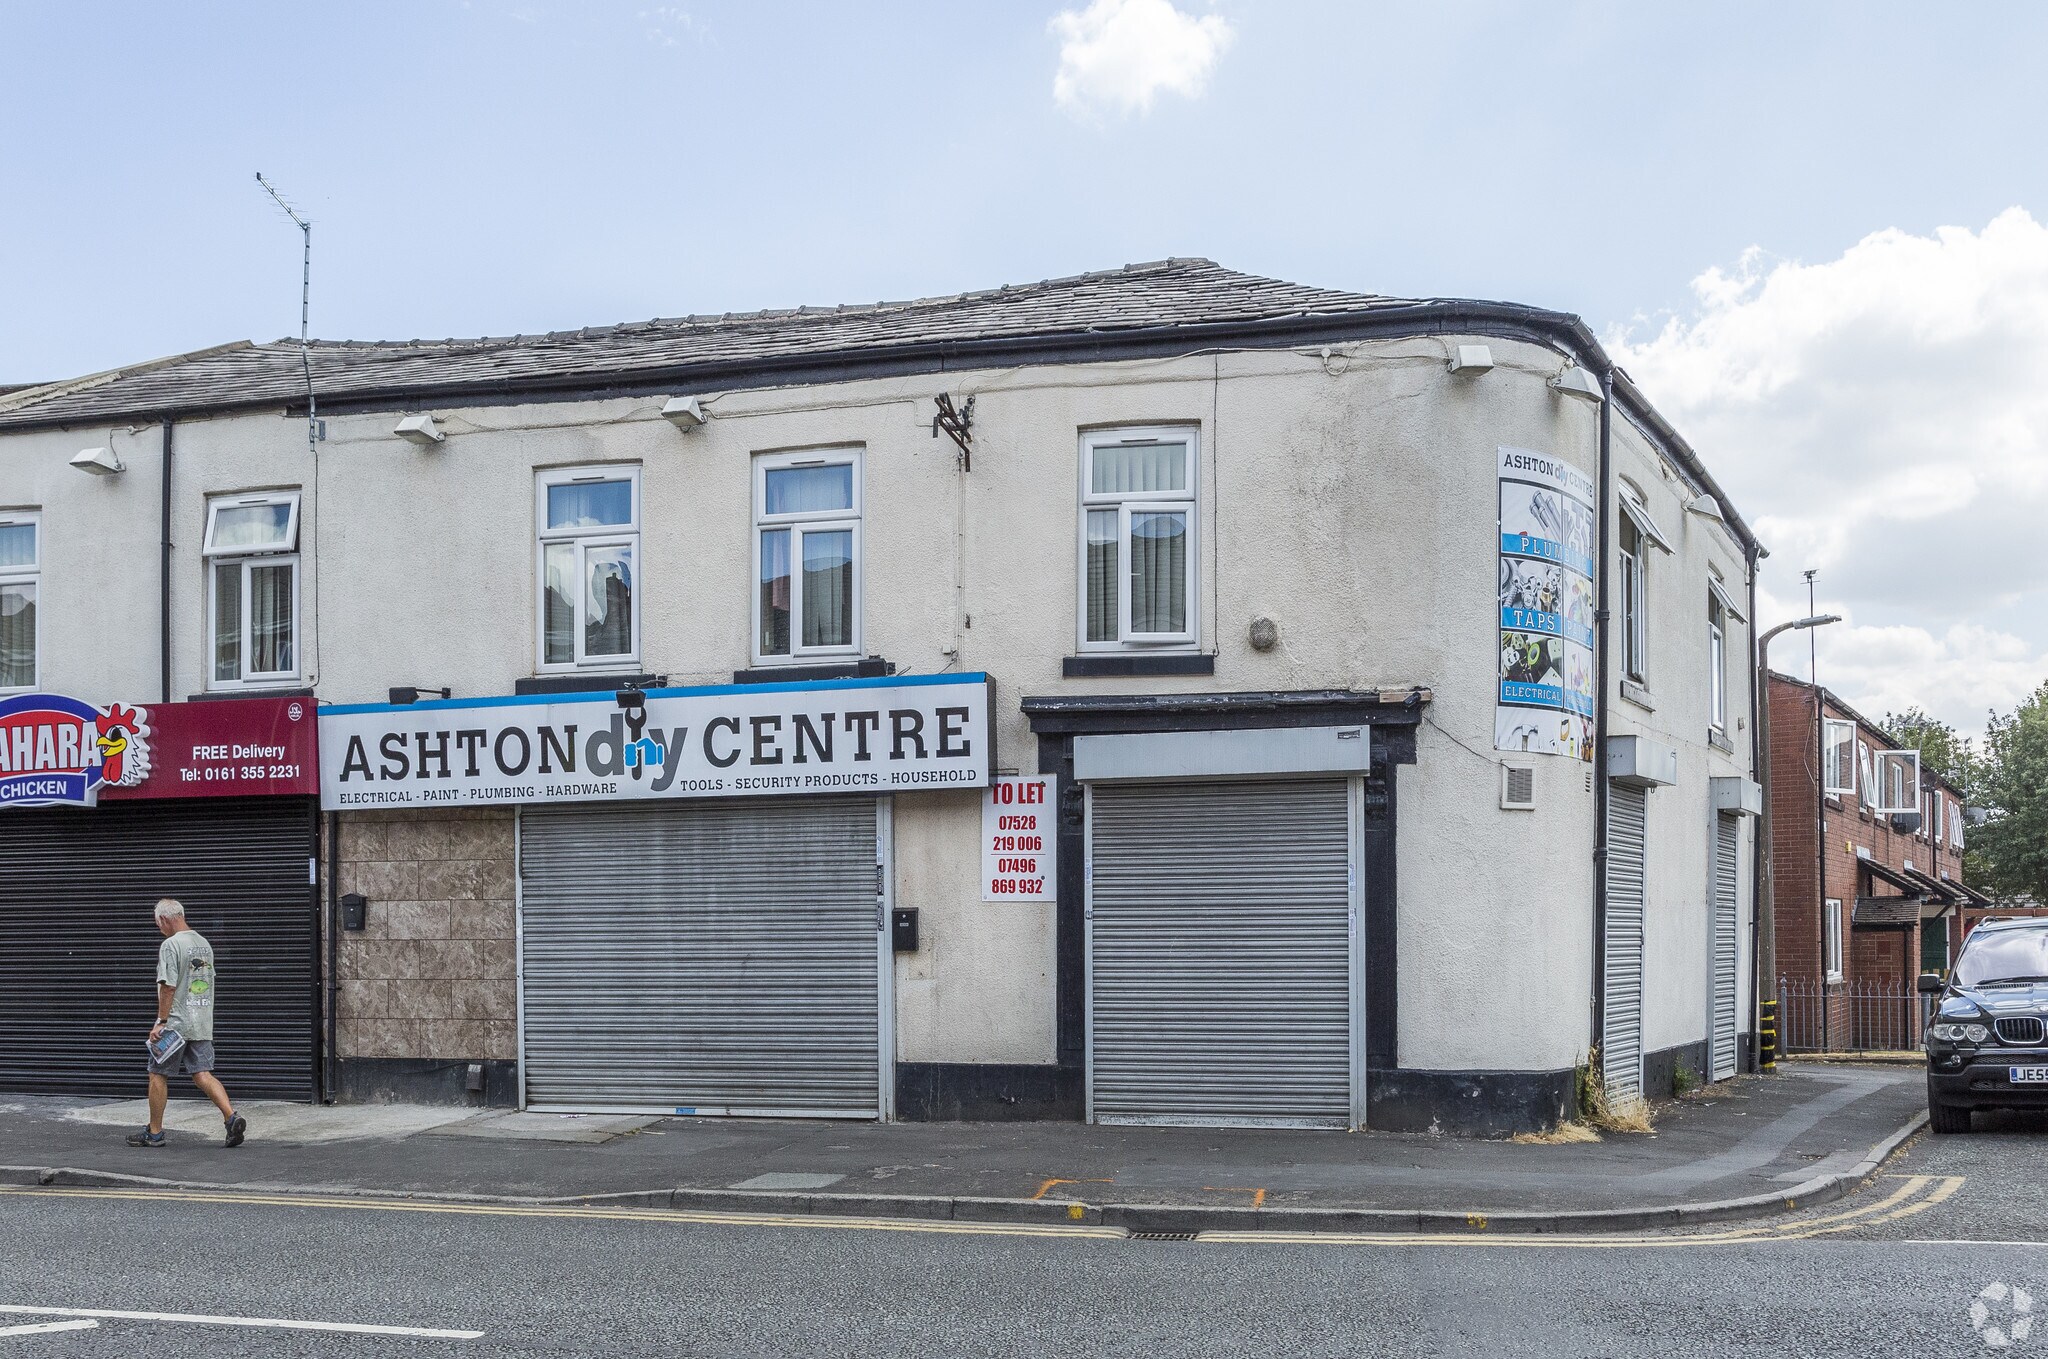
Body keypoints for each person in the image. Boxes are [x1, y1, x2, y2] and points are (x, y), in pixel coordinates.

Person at [128, 898, 246, 1148]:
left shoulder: (170, 945)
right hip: (201, 1021)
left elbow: (168, 986)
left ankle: (155, 1133)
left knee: (157, 1074)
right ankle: (231, 1117)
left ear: (164, 919)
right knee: (202, 1074)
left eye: (158, 924)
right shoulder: (203, 943)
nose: (159, 929)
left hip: (176, 1025)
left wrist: (161, 1021)